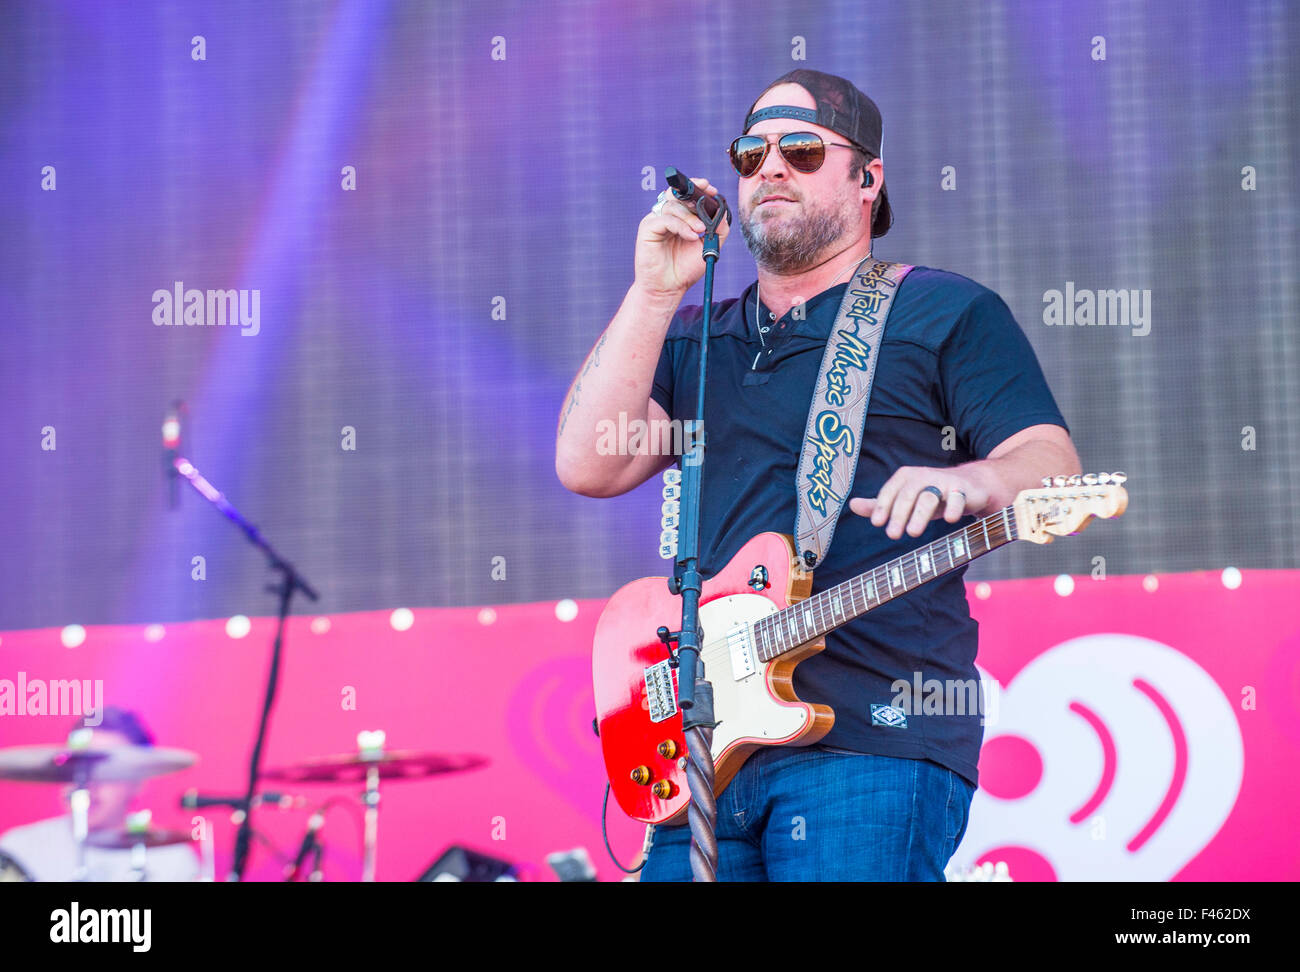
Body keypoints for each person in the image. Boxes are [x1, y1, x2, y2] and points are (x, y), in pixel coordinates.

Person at [555, 69, 1081, 881]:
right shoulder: (698, 339)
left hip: (873, 737)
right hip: (703, 748)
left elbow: (1050, 463)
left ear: (868, 178)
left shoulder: (942, 313)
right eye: (751, 151)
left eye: (801, 150)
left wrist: (970, 483)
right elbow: (587, 462)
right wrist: (654, 292)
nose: (770, 168)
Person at [0, 707, 199, 881]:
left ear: (139, 781)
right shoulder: (18, 849)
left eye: (108, 770)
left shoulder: (173, 860)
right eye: (77, 766)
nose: (88, 783)